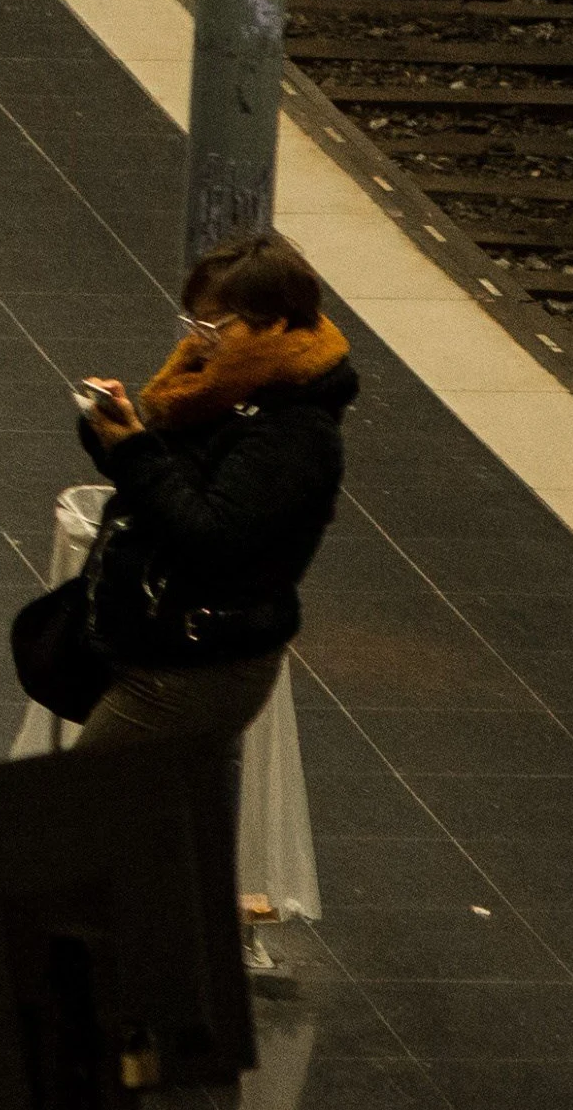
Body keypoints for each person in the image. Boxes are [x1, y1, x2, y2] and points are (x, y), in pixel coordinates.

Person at [66, 233, 357, 751]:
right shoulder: (225, 388)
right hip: (166, 649)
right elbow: (170, 485)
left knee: (80, 814)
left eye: (212, 326)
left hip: (193, 670)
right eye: (193, 323)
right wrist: (116, 436)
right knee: (183, 824)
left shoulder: (293, 432)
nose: (197, 340)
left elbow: (211, 533)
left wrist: (135, 451)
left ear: (273, 323)